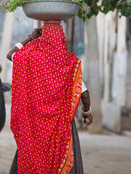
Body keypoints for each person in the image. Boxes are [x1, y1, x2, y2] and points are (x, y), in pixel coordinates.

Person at [7, 20, 93, 174]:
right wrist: (87, 112)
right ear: (62, 39)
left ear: (43, 38)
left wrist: (30, 37)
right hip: (61, 127)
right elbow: (84, 94)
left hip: (34, 126)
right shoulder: (71, 63)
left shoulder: (31, 59)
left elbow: (10, 54)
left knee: (29, 154)